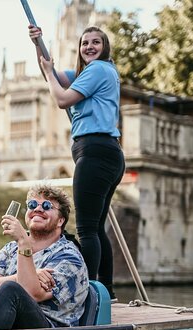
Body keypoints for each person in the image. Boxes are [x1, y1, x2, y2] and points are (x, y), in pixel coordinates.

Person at [29, 25, 125, 300]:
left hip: (95, 152)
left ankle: (90, 293)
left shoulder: (98, 70)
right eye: (85, 43)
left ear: (105, 47)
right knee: (95, 228)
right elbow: (51, 74)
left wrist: (49, 72)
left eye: (96, 42)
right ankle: (107, 292)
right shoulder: (87, 73)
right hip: (106, 153)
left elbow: (61, 98)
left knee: (86, 229)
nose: (90, 47)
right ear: (79, 48)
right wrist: (38, 43)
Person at [0, 182, 89, 330]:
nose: (37, 209)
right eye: (32, 204)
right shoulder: (10, 248)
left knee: (10, 290)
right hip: (7, 326)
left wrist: (24, 242)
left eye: (47, 206)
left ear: (60, 221)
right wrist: (28, 275)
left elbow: (32, 293)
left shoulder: (69, 258)